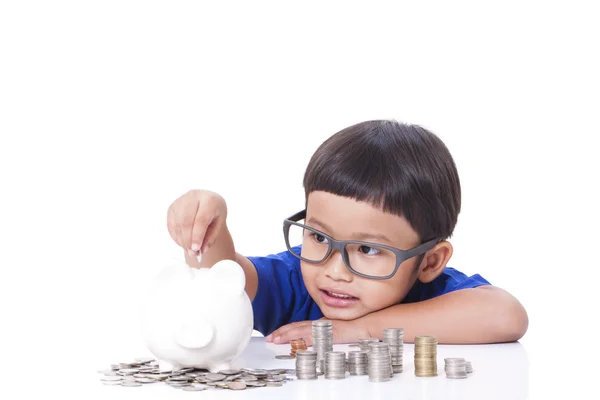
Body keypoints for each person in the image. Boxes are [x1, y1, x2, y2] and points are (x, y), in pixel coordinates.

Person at [166, 120, 528, 345]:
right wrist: (207, 224)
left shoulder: (433, 294)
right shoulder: (296, 280)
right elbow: (221, 281)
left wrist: (363, 329)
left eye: (368, 250)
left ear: (429, 261)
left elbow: (505, 315)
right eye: (319, 237)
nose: (334, 271)